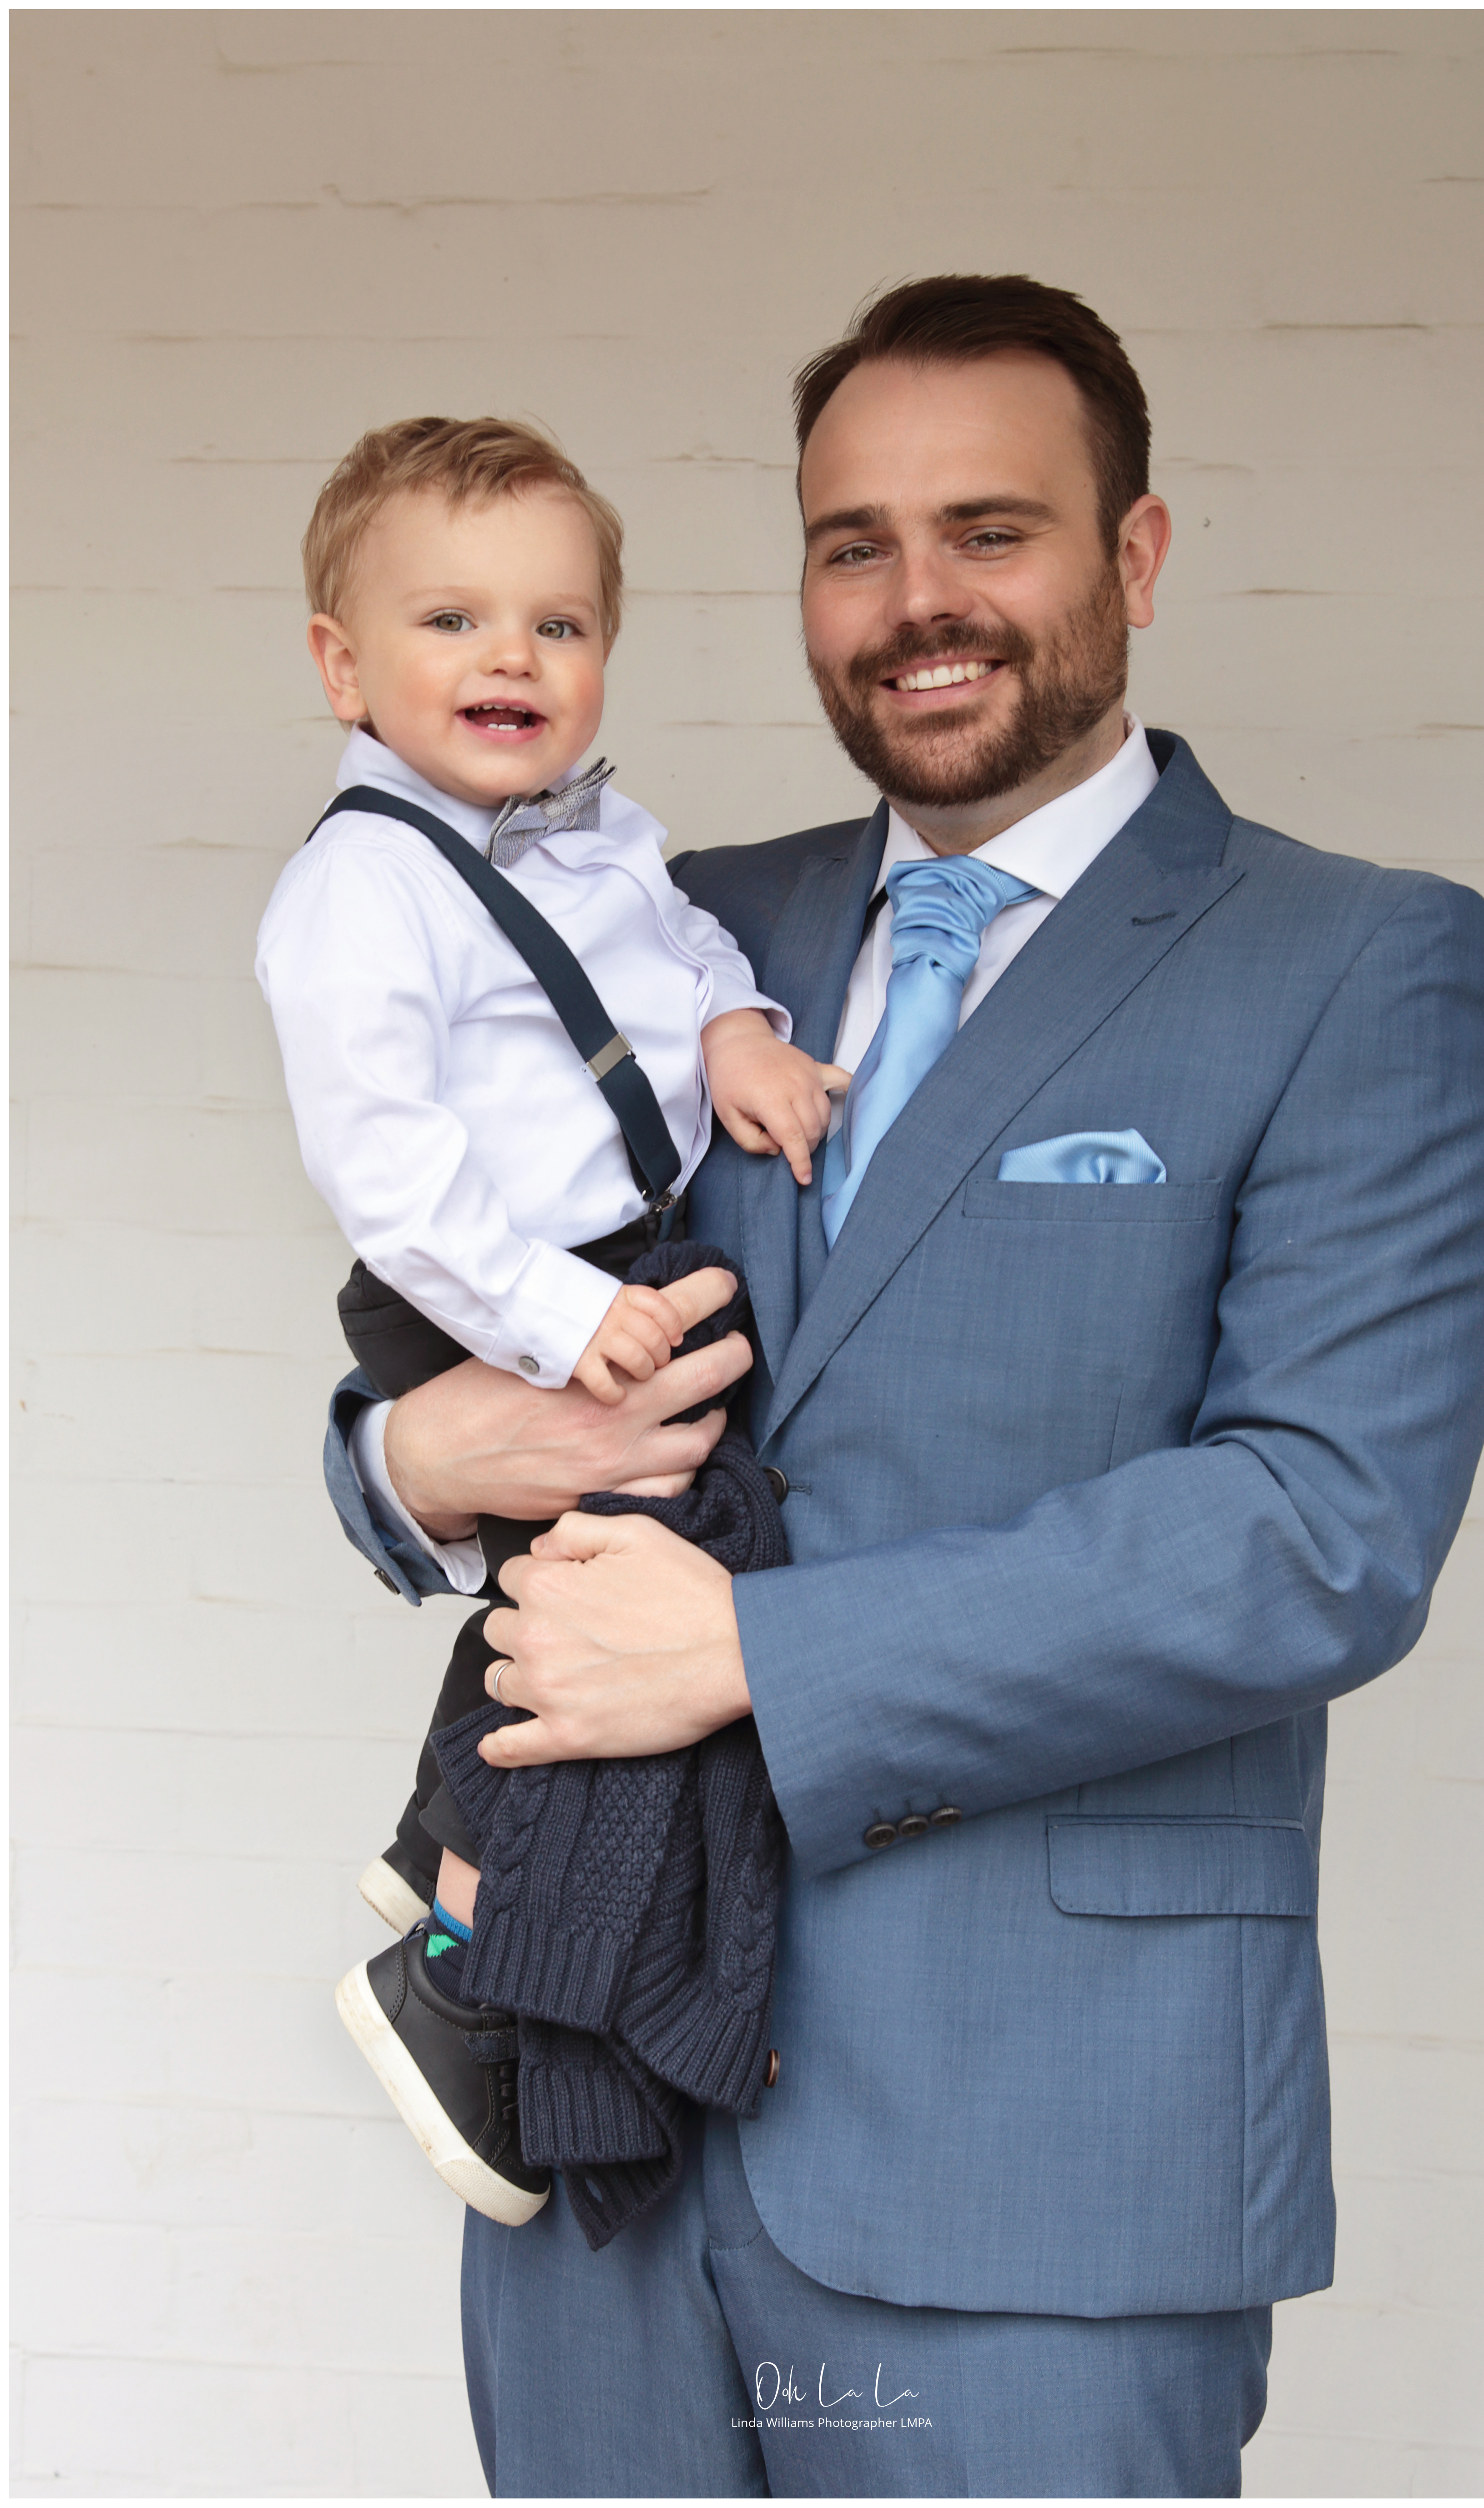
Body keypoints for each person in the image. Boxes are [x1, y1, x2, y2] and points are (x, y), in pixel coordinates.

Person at [324, 276, 1484, 2498]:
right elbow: (433, 1311)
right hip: (599, 2126)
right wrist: (410, 1456)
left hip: (1043, 2156)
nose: (915, 602)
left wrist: (751, 1648)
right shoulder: (670, 920)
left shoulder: (1357, 959)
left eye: (991, 529)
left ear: (1132, 555)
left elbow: (1318, 1525)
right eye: (851, 542)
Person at [257, 414, 843, 2225]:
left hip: (603, 1261)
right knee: (621, 1606)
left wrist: (737, 1030)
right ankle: (461, 1967)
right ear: (340, 664)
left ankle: (444, 1866)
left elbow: (673, 965)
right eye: (450, 619)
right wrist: (550, 1317)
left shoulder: (599, 837)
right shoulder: (353, 892)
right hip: (482, 1290)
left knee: (608, 1599)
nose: (511, 657)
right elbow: (395, 1180)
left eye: (558, 624)